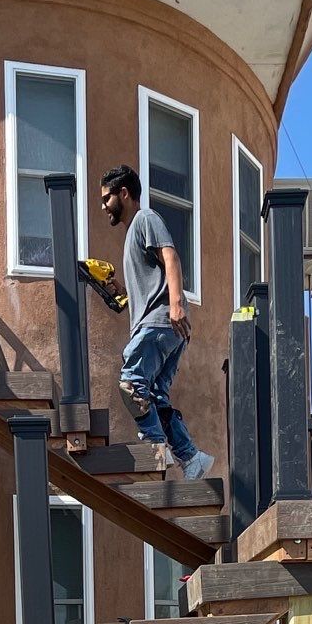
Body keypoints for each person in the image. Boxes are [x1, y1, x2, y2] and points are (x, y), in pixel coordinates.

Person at [99, 164, 215, 480]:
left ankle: (156, 449)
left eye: (107, 198)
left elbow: (171, 256)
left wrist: (176, 303)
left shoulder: (145, 218)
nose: (103, 206)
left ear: (124, 193)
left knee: (131, 383)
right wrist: (121, 292)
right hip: (164, 325)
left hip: (161, 321)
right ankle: (191, 458)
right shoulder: (133, 233)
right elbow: (150, 285)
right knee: (156, 397)